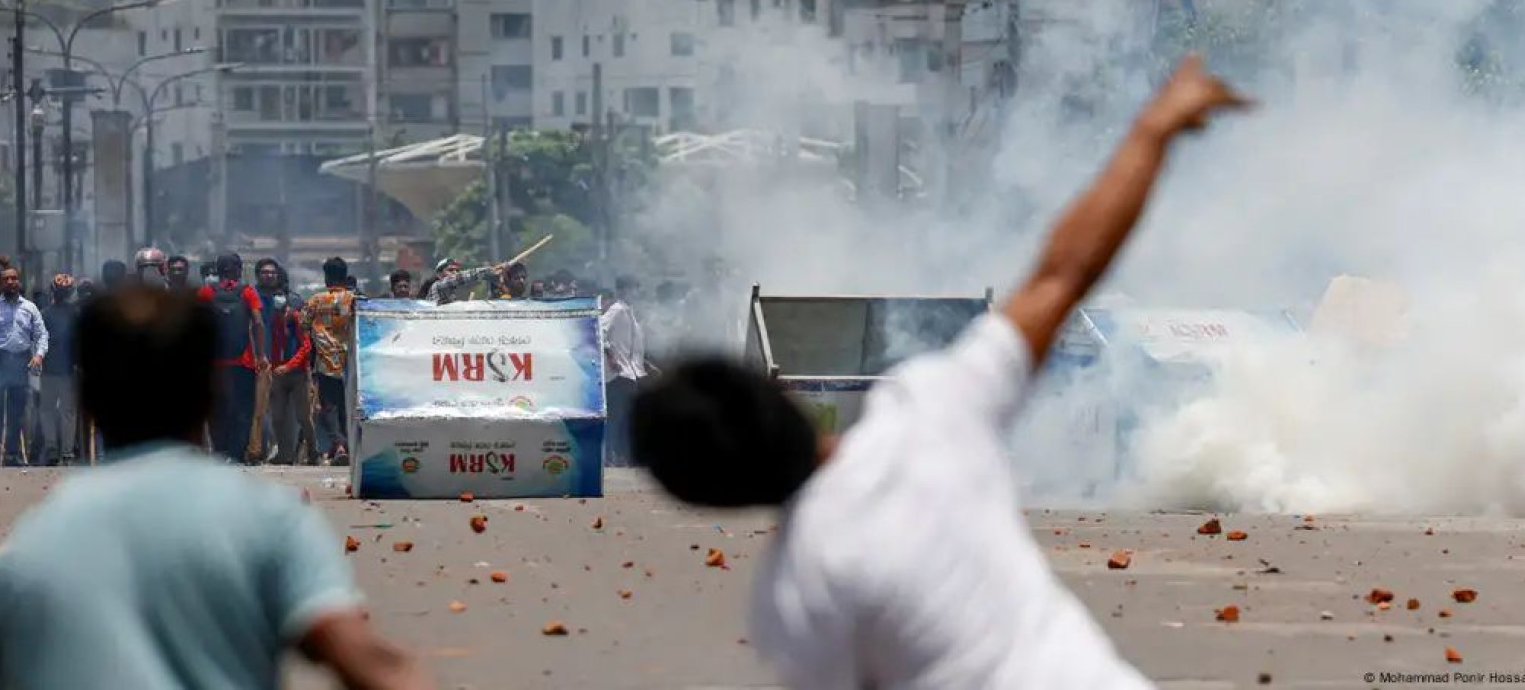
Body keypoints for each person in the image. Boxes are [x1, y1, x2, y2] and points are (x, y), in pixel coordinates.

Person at [630, 55, 1247, 690]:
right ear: (779, 390)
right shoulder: (927, 416)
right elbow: (1063, 275)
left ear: (706, 500)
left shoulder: (795, 591)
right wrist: (1153, 129)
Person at [0, 287, 437, 690]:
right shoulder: (268, 519)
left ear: (89, 403)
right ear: (210, 395)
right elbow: (374, 667)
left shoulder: (31, 545)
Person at [0, 259, 49, 467]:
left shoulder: (30, 308)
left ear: (19, 282)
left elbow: (42, 334)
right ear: (0, 283)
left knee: (17, 410)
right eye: (6, 279)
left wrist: (39, 355)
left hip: (20, 361)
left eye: (14, 278)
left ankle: (12, 455)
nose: (11, 282)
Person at [197, 253, 269, 463]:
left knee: (217, 410)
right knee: (242, 410)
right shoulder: (247, 292)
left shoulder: (206, 292)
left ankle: (220, 452)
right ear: (237, 269)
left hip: (214, 365)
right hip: (243, 363)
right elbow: (257, 322)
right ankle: (236, 454)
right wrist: (261, 354)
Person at [257, 259, 312, 465]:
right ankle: (274, 451)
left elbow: (305, 340)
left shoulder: (295, 304)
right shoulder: (255, 299)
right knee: (270, 413)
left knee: (298, 416)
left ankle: (301, 453)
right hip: (266, 364)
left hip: (293, 368)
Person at [303, 258, 355, 466]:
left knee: (329, 406)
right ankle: (346, 446)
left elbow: (303, 324)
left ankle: (339, 444)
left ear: (326, 277)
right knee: (347, 406)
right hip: (351, 361)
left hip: (325, 362)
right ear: (344, 276)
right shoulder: (354, 300)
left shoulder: (315, 300)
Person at [601, 277, 648, 467]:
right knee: (617, 418)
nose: (634, 293)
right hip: (619, 373)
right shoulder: (617, 309)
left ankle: (620, 456)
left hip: (632, 372)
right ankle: (610, 456)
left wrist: (645, 364)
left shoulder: (630, 313)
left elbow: (633, 346)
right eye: (631, 288)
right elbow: (600, 330)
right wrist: (610, 355)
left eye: (636, 288)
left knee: (625, 419)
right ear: (622, 290)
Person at [35, 274, 81, 466]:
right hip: (57, 370)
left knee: (52, 411)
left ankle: (58, 450)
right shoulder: (73, 314)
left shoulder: (46, 313)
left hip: (62, 370)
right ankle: (62, 452)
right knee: (64, 412)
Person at [423, 258, 504, 305]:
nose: (455, 273)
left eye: (458, 270)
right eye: (450, 270)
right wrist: (491, 270)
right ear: (440, 275)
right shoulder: (437, 286)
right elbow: (462, 277)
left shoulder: (460, 292)